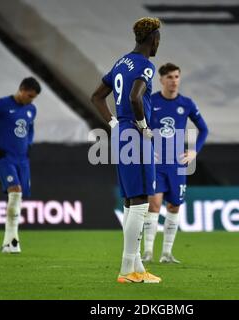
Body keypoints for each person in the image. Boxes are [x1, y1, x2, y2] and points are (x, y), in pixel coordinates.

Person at [91, 17, 162, 283]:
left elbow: (96, 96)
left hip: (121, 132)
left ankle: (138, 267)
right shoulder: (145, 65)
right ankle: (126, 270)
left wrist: (112, 123)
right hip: (135, 133)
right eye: (158, 40)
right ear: (153, 39)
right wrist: (143, 126)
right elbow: (134, 97)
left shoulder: (121, 62)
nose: (158, 45)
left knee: (132, 200)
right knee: (141, 200)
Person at [143, 63, 208, 263]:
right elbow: (139, 128)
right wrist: (146, 149)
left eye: (177, 76)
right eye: (170, 77)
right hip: (156, 164)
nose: (174, 81)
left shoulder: (186, 104)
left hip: (177, 164)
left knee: (174, 206)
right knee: (154, 205)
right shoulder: (150, 101)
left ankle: (166, 254)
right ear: (161, 80)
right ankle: (147, 252)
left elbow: (203, 129)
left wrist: (194, 150)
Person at [0, 77, 40, 253]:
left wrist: (30, 144)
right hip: (6, 158)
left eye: (33, 97)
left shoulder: (31, 109)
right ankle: (11, 242)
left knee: (19, 198)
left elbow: (30, 128)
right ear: (21, 89)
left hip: (22, 160)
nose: (31, 100)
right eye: (29, 95)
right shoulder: (2, 104)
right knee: (15, 191)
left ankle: (10, 242)